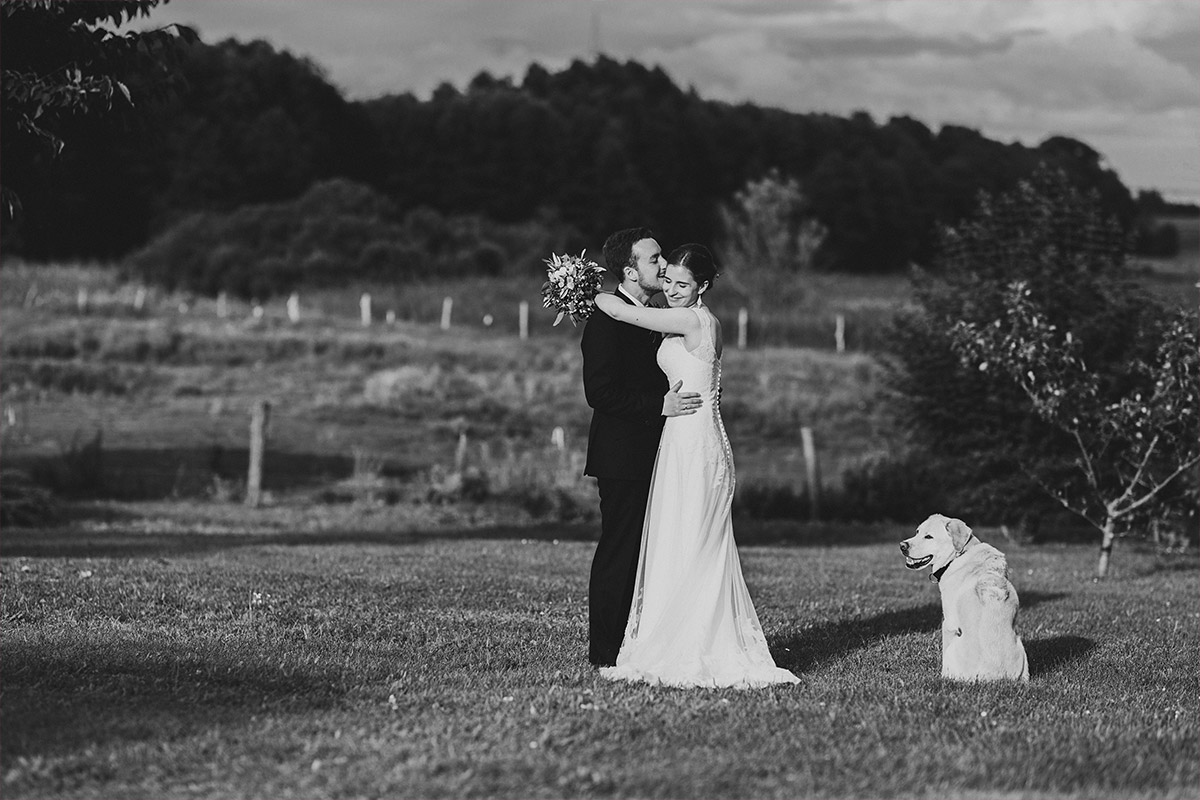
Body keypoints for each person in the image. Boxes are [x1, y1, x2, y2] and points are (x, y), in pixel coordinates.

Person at [591, 243, 799, 688]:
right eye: (668, 280)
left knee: (694, 539)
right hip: (681, 437)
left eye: (682, 284)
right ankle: (671, 636)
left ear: (702, 287)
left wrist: (584, 289)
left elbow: (624, 312)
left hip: (694, 440)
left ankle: (693, 643)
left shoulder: (692, 320)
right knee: (678, 537)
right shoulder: (690, 318)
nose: (672, 290)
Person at [582, 227, 703, 668]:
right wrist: (659, 405)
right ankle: (605, 653)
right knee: (621, 551)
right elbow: (600, 392)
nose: (664, 264)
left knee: (655, 553)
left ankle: (645, 643)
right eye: (654, 259)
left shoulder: (656, 314)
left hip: (662, 453)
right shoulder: (605, 319)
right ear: (630, 271)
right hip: (623, 456)